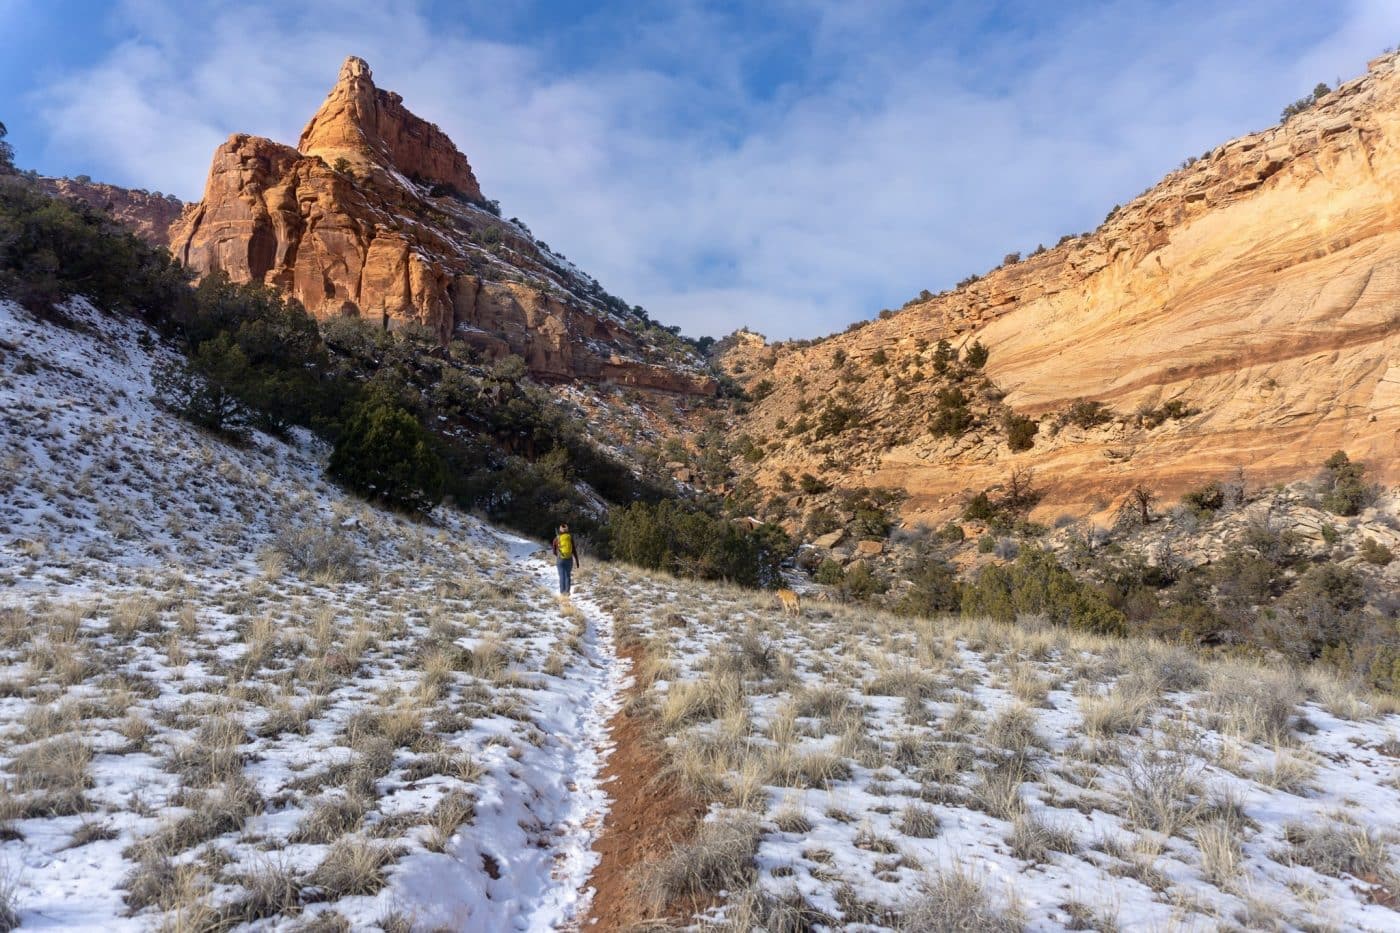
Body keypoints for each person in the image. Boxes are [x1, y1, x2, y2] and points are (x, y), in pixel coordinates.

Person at [551, 523, 580, 596]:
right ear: (567, 529)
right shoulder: (570, 537)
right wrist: (577, 561)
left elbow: (554, 551)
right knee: (567, 576)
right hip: (569, 559)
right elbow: (574, 550)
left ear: (560, 529)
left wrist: (559, 555)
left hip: (560, 559)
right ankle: (567, 592)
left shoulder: (556, 538)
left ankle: (562, 593)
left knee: (561, 576)